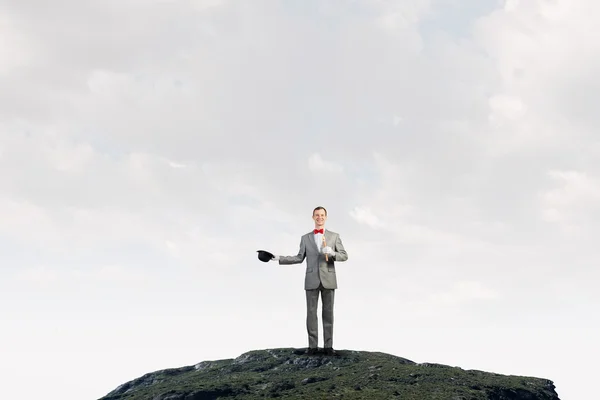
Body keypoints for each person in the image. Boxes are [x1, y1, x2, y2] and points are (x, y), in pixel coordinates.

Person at [271, 206, 348, 355]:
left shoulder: (334, 236)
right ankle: (312, 346)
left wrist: (332, 253)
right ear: (313, 217)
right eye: (317, 215)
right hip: (311, 279)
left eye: (322, 215)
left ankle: (328, 346)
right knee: (311, 314)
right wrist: (279, 258)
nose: (319, 217)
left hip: (329, 279)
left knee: (328, 313)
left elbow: (344, 256)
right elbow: (299, 258)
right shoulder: (305, 238)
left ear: (326, 217)